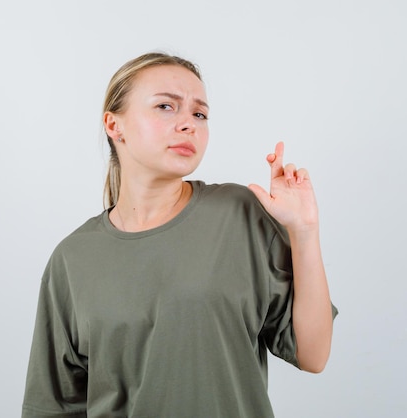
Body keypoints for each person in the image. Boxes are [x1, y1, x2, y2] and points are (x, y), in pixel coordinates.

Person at [21, 52, 337, 418]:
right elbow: (52, 406)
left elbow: (313, 355)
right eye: (166, 107)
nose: (188, 123)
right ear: (114, 124)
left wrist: (304, 231)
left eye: (199, 114)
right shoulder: (72, 259)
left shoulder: (238, 213)